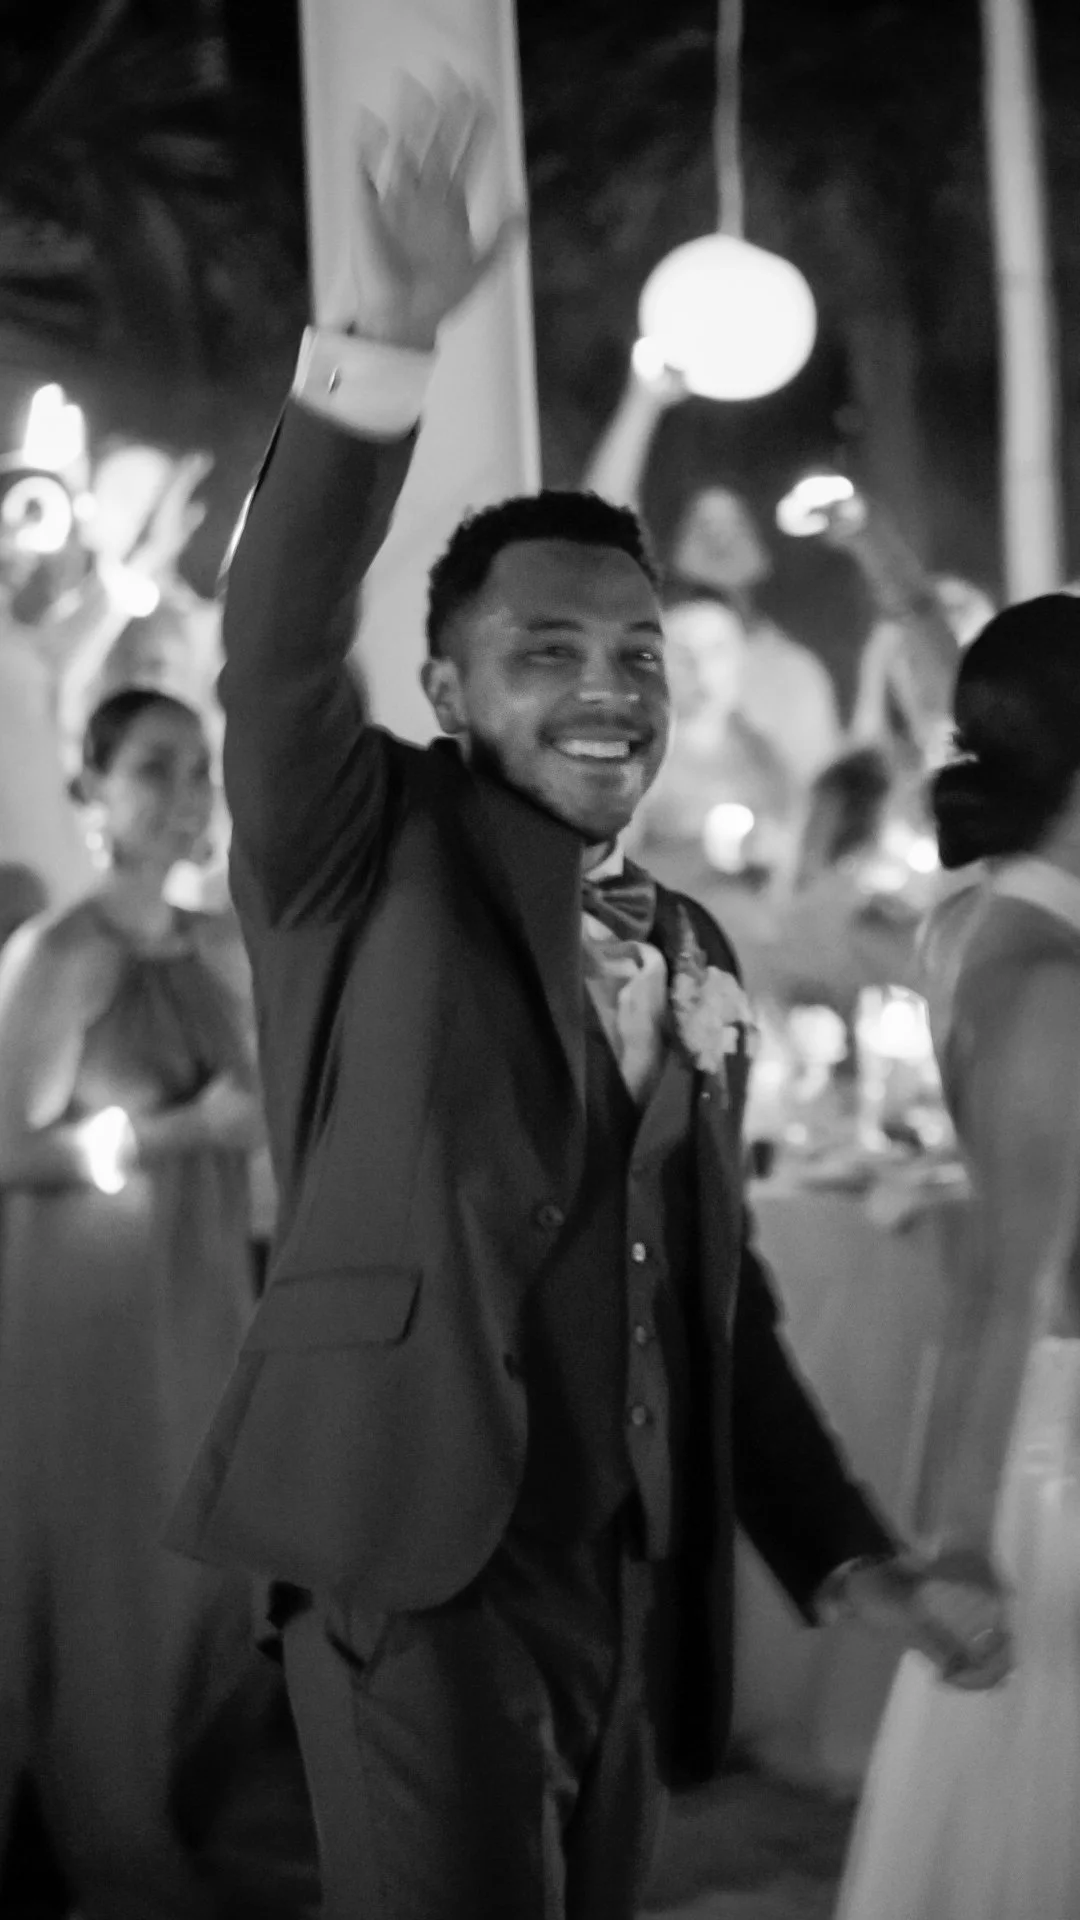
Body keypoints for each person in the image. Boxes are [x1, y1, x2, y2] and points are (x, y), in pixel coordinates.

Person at [169, 78, 1010, 1920]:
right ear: (450, 693)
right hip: (414, 1561)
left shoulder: (695, 952)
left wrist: (853, 1560)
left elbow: (719, 1304)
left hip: (619, 1577)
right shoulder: (355, 851)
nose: (608, 687)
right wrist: (384, 337)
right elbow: (275, 631)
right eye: (543, 653)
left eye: (634, 652)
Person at [0, 669, 287, 1918]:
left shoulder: (221, 942)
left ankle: (169, 1800)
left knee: (207, 1563)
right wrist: (180, 1134)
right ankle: (107, 1839)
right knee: (117, 1559)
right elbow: (7, 1145)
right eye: (155, 769)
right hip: (92, 1310)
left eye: (197, 766)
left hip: (206, 1285)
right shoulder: (65, 952)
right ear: (93, 792)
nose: (186, 794)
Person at [835, 594, 1080, 1919]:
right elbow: (1007, 1280)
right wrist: (964, 1544)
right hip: (1064, 1453)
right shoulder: (1048, 981)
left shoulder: (977, 923)